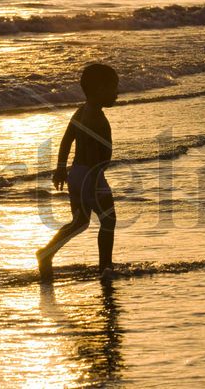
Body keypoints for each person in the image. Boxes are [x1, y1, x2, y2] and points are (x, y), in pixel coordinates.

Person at [37, 64, 118, 282]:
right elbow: (97, 153)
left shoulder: (82, 111)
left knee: (80, 222)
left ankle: (47, 252)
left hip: (78, 174)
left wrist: (61, 168)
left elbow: (66, 139)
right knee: (109, 220)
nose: (117, 93)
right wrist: (94, 178)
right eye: (113, 88)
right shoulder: (96, 118)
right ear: (99, 90)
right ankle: (105, 266)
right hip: (92, 176)